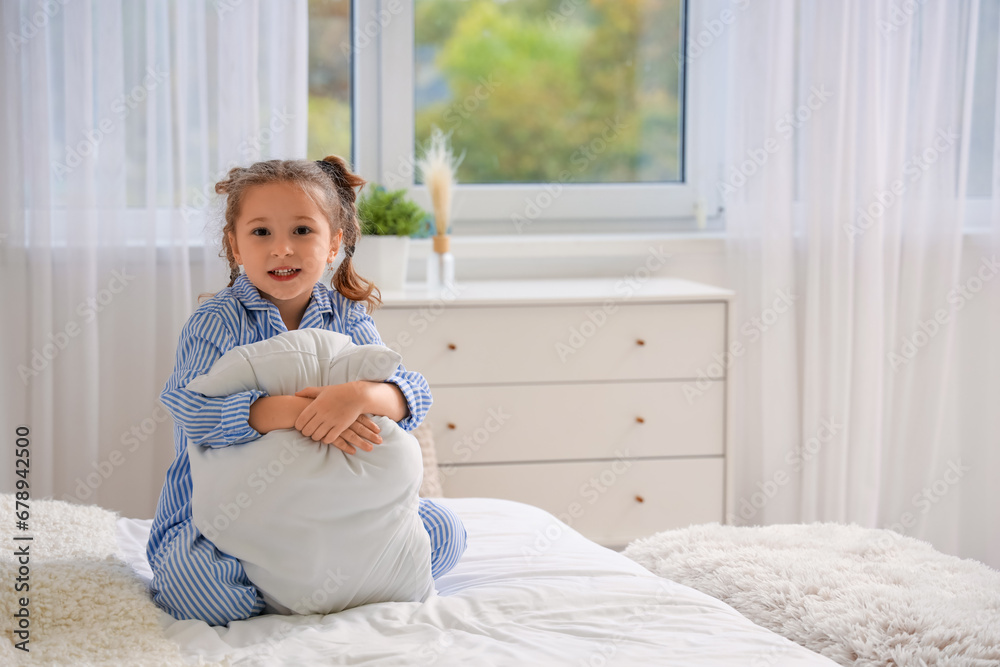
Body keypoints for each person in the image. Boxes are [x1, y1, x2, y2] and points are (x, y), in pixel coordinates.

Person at [146, 156, 467, 626]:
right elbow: (194, 412)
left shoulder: (347, 315)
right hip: (227, 521)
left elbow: (412, 396)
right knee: (204, 595)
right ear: (234, 245)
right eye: (261, 233)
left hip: (338, 512)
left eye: (301, 231)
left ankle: (323, 580)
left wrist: (358, 396)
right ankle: (283, 588)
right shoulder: (216, 321)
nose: (282, 249)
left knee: (447, 533)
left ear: (335, 242)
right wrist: (298, 414)